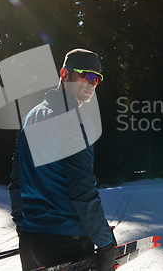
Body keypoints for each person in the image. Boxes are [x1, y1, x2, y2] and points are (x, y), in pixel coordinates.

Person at [9, 49, 116, 271]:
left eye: (97, 78)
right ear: (64, 74)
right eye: (86, 75)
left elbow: (16, 183)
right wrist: (105, 243)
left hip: (31, 242)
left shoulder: (31, 117)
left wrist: (23, 227)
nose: (92, 83)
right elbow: (82, 190)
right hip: (66, 244)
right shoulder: (76, 121)